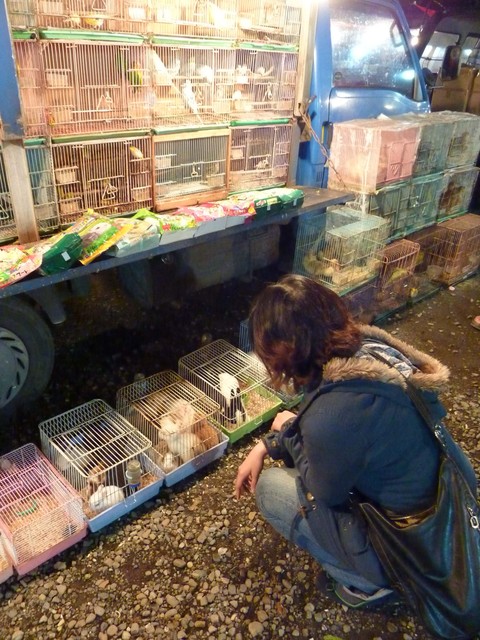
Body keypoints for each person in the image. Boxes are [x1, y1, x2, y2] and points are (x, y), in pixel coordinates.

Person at [234, 274, 477, 609]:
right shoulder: (370, 352)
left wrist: (288, 428)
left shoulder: (334, 413)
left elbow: (325, 491)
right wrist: (268, 444)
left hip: (409, 544)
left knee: (271, 489)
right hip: (447, 499)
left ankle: (372, 585)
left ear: (284, 356)